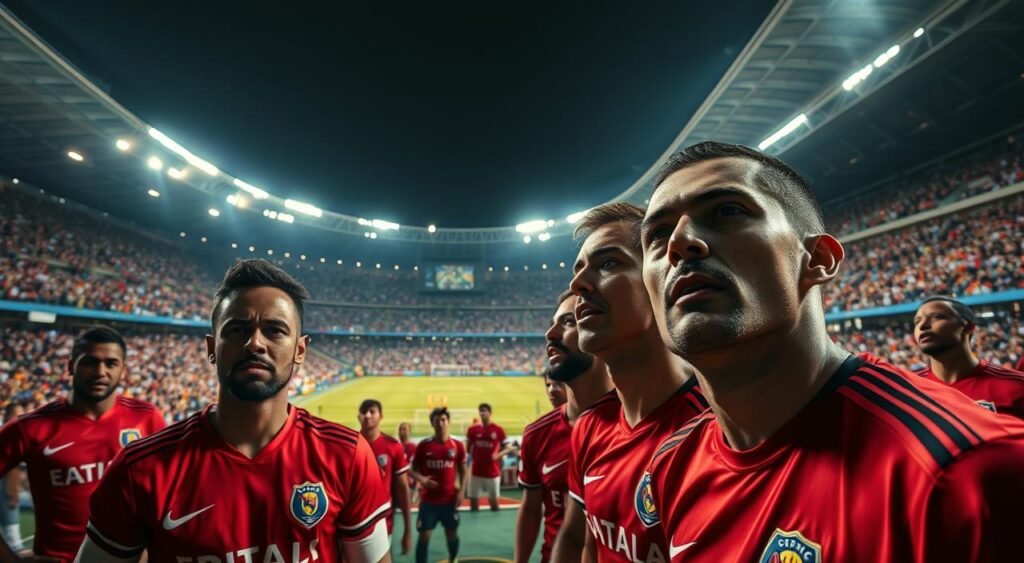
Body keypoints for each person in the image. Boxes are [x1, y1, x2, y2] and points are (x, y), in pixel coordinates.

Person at [640, 141, 1024, 561]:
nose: (679, 242)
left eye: (727, 211)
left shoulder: (971, 471)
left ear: (818, 259)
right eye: (657, 234)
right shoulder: (669, 464)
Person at [76, 259, 392, 562]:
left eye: (275, 330)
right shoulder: (139, 469)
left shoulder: (347, 456)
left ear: (300, 350)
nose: (255, 343)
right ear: (212, 348)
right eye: (237, 330)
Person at [556, 203, 707, 563]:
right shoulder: (590, 428)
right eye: (577, 271)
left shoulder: (721, 431)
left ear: (662, 277)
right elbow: (588, 545)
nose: (577, 285)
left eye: (608, 263)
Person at [0, 325, 165, 562]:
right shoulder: (30, 427)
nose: (100, 371)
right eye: (90, 362)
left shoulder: (147, 418)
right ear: (70, 366)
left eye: (110, 363)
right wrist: (9, 559)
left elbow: (169, 493)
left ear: (123, 370)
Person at [515, 294, 612, 563]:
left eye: (568, 322)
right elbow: (534, 511)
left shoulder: (640, 425)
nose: (550, 333)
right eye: (552, 323)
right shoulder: (537, 434)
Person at [913, 296, 1024, 419]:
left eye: (938, 317)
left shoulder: (1017, 385)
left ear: (968, 327)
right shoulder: (907, 388)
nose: (922, 326)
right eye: (917, 321)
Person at [410, 408, 466, 563]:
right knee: (424, 535)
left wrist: (462, 492)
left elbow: (463, 470)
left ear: (448, 422)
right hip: (428, 501)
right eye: (437, 421)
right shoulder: (423, 446)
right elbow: (412, 470)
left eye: (443, 420)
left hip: (450, 500)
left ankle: (453, 558)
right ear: (432, 424)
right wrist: (423, 480)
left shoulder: (457, 446)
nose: (441, 424)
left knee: (452, 534)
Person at [357, 399, 413, 554]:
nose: (367, 416)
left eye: (372, 411)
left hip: (382, 523)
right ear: (358, 417)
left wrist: (408, 530)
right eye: (363, 412)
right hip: (352, 523)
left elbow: (403, 488)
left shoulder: (393, 446)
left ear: (381, 416)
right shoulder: (349, 445)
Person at [465, 403, 512, 511]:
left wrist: (498, 455)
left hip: (492, 473)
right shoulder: (472, 430)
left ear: (490, 413)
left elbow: (509, 447)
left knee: (494, 505)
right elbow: (468, 449)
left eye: (484, 411)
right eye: (480, 411)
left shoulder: (498, 430)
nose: (482, 413)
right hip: (476, 473)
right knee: (473, 505)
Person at [0, 403, 26, 555]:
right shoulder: (10, 433)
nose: (19, 417)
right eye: (16, 414)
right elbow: (13, 470)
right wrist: (13, 491)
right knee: (13, 537)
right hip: (5, 487)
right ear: (7, 415)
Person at [398, 422, 419, 505]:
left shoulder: (414, 448)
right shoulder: (395, 447)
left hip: (411, 487)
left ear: (409, 432)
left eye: (404, 429)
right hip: (397, 488)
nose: (402, 431)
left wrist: (417, 490)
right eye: (400, 429)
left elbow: (419, 470)